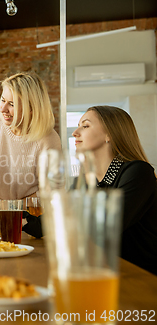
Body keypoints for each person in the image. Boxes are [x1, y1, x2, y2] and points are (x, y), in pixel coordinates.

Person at [0, 72, 61, 236]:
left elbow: (48, 192)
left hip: (33, 220)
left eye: (12, 104)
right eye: (3, 100)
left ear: (32, 108)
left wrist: (1, 208)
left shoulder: (48, 138)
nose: (3, 109)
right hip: (0, 212)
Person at [72, 105, 157, 275]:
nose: (75, 132)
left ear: (109, 135)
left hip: (142, 279)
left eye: (85, 126)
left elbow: (103, 229)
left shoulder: (138, 172)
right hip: (103, 272)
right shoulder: (86, 180)